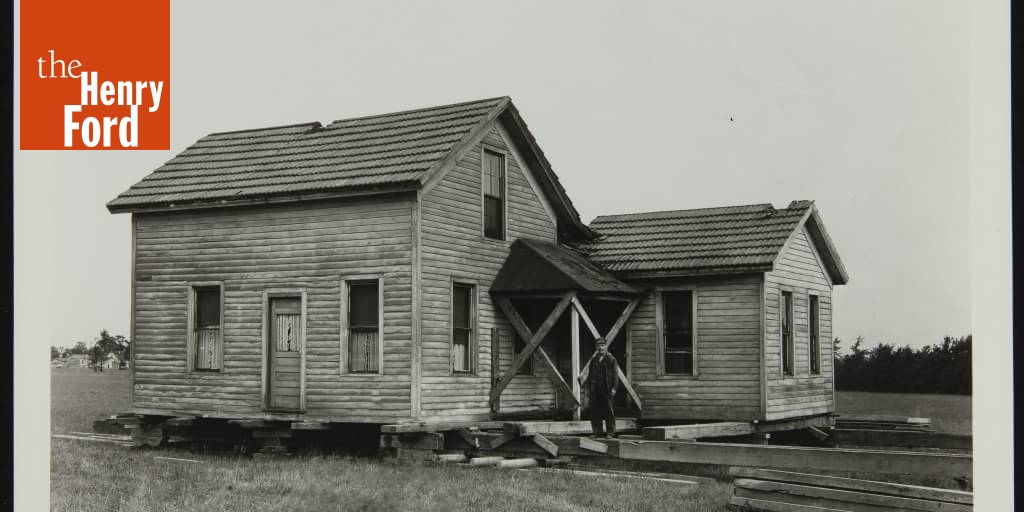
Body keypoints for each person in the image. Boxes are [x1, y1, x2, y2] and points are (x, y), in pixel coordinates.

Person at [588, 337, 619, 438]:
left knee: (608, 411)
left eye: (602, 345)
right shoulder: (594, 360)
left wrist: (614, 388)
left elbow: (615, 375)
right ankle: (597, 431)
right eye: (598, 346)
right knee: (595, 411)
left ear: (606, 346)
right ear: (596, 347)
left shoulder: (611, 359)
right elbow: (590, 375)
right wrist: (590, 388)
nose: (600, 348)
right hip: (595, 389)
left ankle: (610, 432)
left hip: (607, 389)